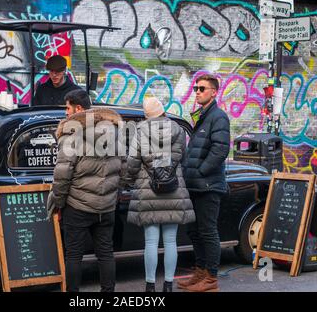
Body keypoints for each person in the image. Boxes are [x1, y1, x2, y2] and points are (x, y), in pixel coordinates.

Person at [48, 89, 122, 292]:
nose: (66, 112)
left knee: (73, 255)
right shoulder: (115, 132)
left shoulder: (72, 134)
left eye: (68, 107)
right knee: (106, 253)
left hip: (77, 205)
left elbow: (62, 175)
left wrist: (58, 203)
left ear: (78, 109)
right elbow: (122, 168)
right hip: (106, 207)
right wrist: (113, 195)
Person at [126, 97, 195, 292]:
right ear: (162, 111)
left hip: (147, 190)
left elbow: (132, 163)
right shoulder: (179, 130)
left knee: (151, 241)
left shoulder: (140, 131)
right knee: (171, 241)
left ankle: (150, 286)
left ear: (146, 115)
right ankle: (168, 285)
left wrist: (131, 181)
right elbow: (184, 158)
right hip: (174, 188)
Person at [178, 74, 230, 292]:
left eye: (202, 88)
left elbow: (220, 149)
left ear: (213, 92)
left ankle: (211, 278)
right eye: (196, 88)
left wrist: (200, 171)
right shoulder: (202, 116)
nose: (197, 92)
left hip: (208, 186)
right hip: (195, 185)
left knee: (208, 231)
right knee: (194, 231)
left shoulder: (218, 117)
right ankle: (200, 271)